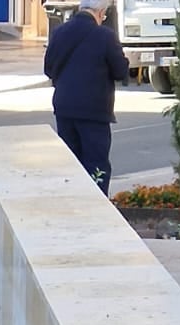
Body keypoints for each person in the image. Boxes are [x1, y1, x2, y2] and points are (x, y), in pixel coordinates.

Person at [43, 0, 129, 195]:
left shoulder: (60, 32)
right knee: (96, 164)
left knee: (71, 161)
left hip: (64, 106)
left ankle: (73, 199)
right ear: (100, 13)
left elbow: (48, 68)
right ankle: (96, 204)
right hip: (94, 110)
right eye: (104, 15)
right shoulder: (105, 36)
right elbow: (120, 71)